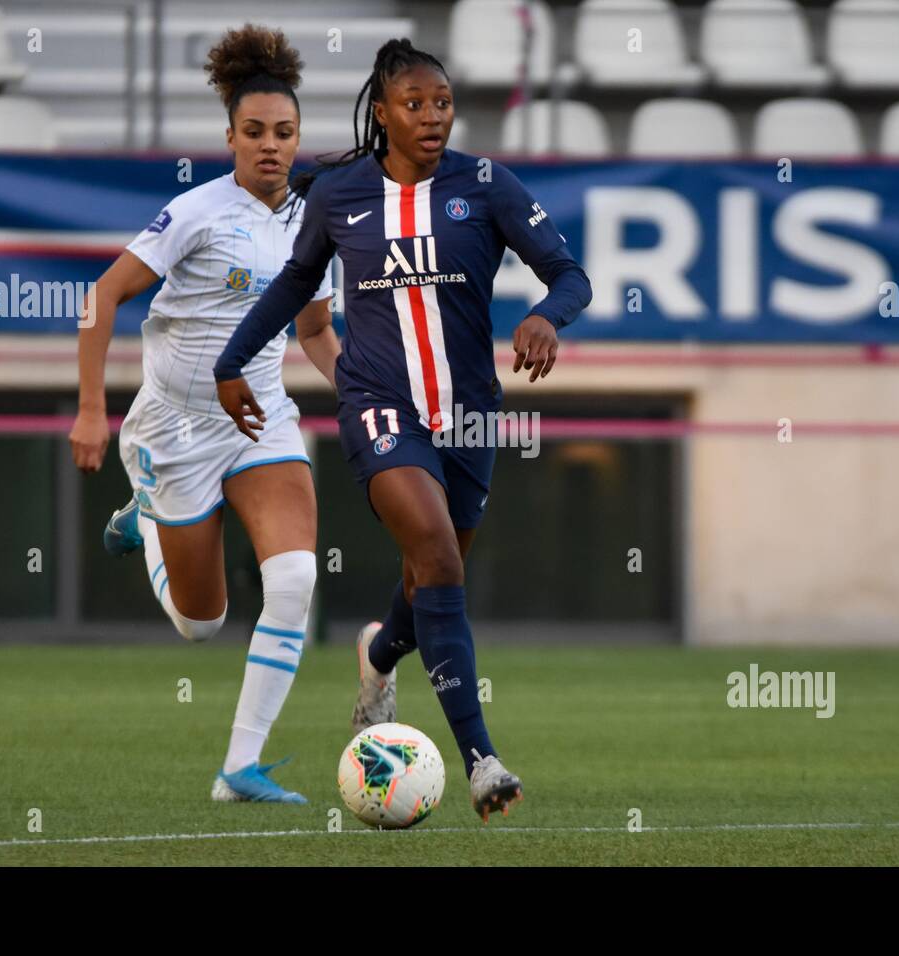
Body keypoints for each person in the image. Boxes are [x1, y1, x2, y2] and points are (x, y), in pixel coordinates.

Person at [213, 39, 591, 822]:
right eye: (414, 105)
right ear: (381, 112)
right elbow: (292, 285)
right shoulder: (340, 194)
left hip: (469, 414)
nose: (431, 117)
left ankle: (380, 654)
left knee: (430, 579)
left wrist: (547, 318)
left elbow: (571, 274)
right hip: (378, 403)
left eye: (442, 103)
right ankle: (483, 760)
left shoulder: (486, 185)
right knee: (442, 562)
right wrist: (231, 361)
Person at [68, 25, 339, 804]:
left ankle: (238, 769)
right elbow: (102, 296)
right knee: (201, 624)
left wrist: (363, 394)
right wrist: (93, 411)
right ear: (229, 137)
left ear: (297, 139)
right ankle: (144, 517)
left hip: (260, 420)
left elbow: (316, 330)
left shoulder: (313, 224)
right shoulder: (196, 211)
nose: (270, 147)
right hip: (176, 430)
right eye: (254, 132)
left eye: (283, 133)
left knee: (292, 580)